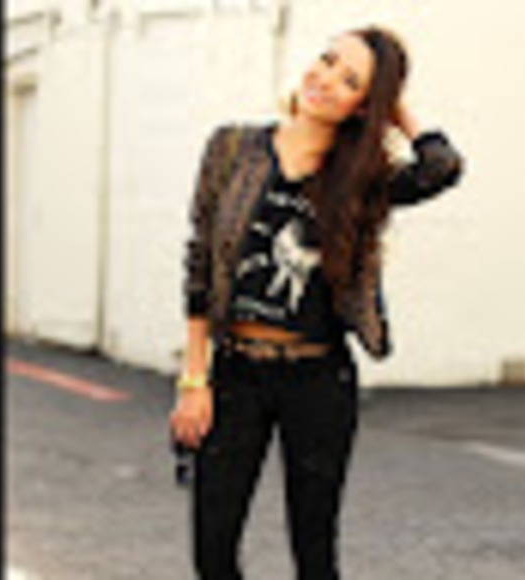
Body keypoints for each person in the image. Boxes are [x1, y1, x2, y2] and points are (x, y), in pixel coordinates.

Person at [170, 24, 464, 580]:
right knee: (212, 552)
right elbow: (200, 263)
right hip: (235, 373)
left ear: (364, 106)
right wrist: (194, 378)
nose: (325, 79)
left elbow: (441, 167)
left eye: (350, 81)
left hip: (318, 380)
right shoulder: (231, 148)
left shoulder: (364, 179)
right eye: (328, 61)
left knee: (314, 555)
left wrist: (395, 108)